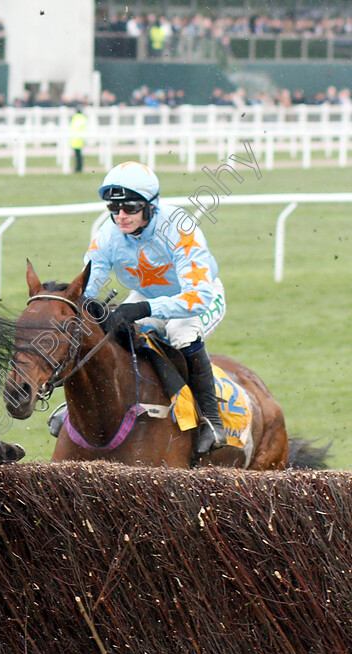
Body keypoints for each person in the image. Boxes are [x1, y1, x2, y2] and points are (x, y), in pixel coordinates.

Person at [52, 161, 227, 455]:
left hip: (198, 298)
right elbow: (88, 288)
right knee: (104, 335)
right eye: (114, 208)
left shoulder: (180, 230)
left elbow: (197, 296)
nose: (121, 216)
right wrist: (90, 309)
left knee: (179, 334)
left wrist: (143, 309)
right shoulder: (108, 235)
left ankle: (211, 419)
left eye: (130, 208)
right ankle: (78, 407)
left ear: (151, 206)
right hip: (146, 296)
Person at [69, 107, 87, 173]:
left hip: (74, 140)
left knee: (77, 156)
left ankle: (78, 168)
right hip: (80, 139)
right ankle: (79, 168)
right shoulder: (83, 118)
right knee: (79, 155)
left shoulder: (75, 118)